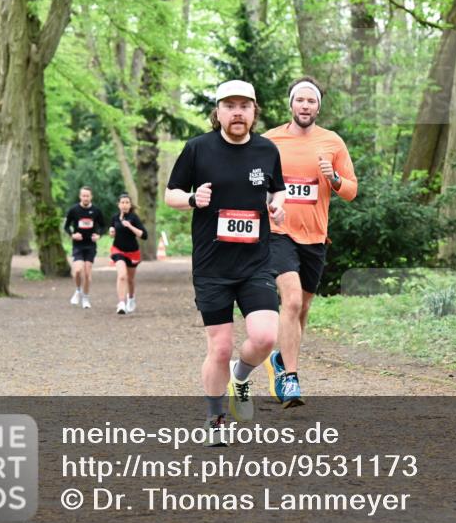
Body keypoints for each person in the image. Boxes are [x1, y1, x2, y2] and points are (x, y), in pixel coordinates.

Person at [164, 79, 286, 441]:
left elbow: (278, 190)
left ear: (254, 112)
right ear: (217, 112)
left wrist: (278, 205)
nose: (237, 113)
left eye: (244, 106)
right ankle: (216, 418)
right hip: (212, 266)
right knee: (219, 348)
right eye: (229, 106)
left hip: (255, 263)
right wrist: (191, 199)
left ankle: (241, 375)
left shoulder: (267, 150)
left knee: (265, 338)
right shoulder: (197, 149)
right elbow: (170, 194)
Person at [261, 77, 357, 407]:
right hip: (278, 233)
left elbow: (351, 190)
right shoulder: (270, 140)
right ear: (291, 104)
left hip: (315, 236)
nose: (305, 106)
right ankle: (290, 379)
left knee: (301, 310)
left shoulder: (332, 142)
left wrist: (333, 177)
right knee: (290, 302)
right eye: (299, 100)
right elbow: (251, 179)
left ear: (318, 107)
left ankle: (280, 359)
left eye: (311, 101)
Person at [63, 186, 106, 309]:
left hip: (90, 245)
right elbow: (66, 226)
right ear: (80, 196)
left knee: (87, 274)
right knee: (77, 270)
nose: (85, 198)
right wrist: (72, 235)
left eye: (87, 196)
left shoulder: (96, 211)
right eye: (83, 196)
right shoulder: (74, 210)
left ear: (91, 197)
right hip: (78, 245)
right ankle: (78, 290)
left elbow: (103, 226)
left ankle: (85, 298)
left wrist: (98, 235)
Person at [108, 193, 147, 315]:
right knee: (122, 276)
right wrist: (111, 231)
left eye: (127, 203)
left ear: (130, 205)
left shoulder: (134, 218)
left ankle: (131, 298)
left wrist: (130, 226)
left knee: (130, 279)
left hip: (132, 252)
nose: (124, 205)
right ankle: (121, 303)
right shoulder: (115, 218)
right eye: (122, 202)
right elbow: (112, 230)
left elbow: (144, 235)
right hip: (118, 250)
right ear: (118, 204)